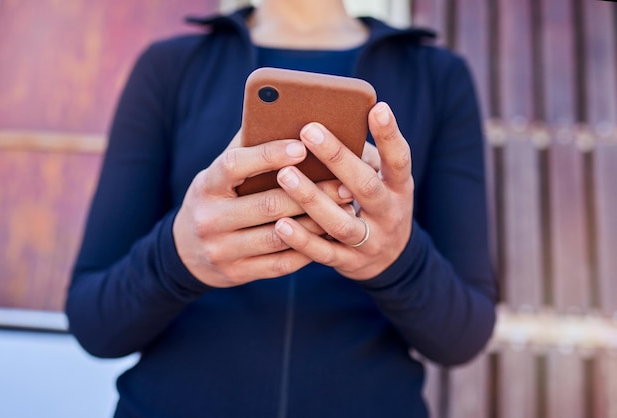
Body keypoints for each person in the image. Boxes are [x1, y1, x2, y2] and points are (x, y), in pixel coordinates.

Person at [66, 0, 497, 417]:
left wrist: (399, 261)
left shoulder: (437, 77)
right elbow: (95, 322)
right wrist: (177, 258)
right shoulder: (170, 68)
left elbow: (461, 336)